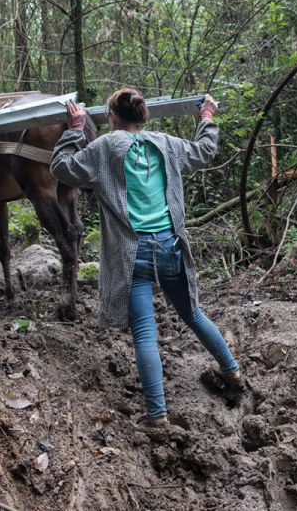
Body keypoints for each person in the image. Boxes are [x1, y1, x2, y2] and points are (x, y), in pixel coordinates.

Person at [50, 88, 242, 427]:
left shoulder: (105, 147)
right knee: (193, 314)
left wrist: (76, 128)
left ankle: (157, 416)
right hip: (170, 247)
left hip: (132, 253)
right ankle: (233, 372)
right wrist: (207, 118)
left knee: (144, 333)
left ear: (111, 117)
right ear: (143, 117)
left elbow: (62, 169)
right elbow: (204, 151)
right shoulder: (166, 144)